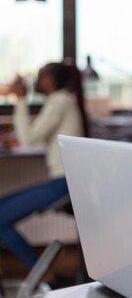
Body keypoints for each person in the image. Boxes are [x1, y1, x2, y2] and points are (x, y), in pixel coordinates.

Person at [0, 60, 88, 269]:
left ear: (50, 80)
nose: (35, 82)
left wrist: (20, 99)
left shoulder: (60, 101)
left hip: (65, 183)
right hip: (61, 180)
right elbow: (36, 135)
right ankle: (42, 271)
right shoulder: (60, 101)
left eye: (40, 76)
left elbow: (29, 138)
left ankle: (42, 273)